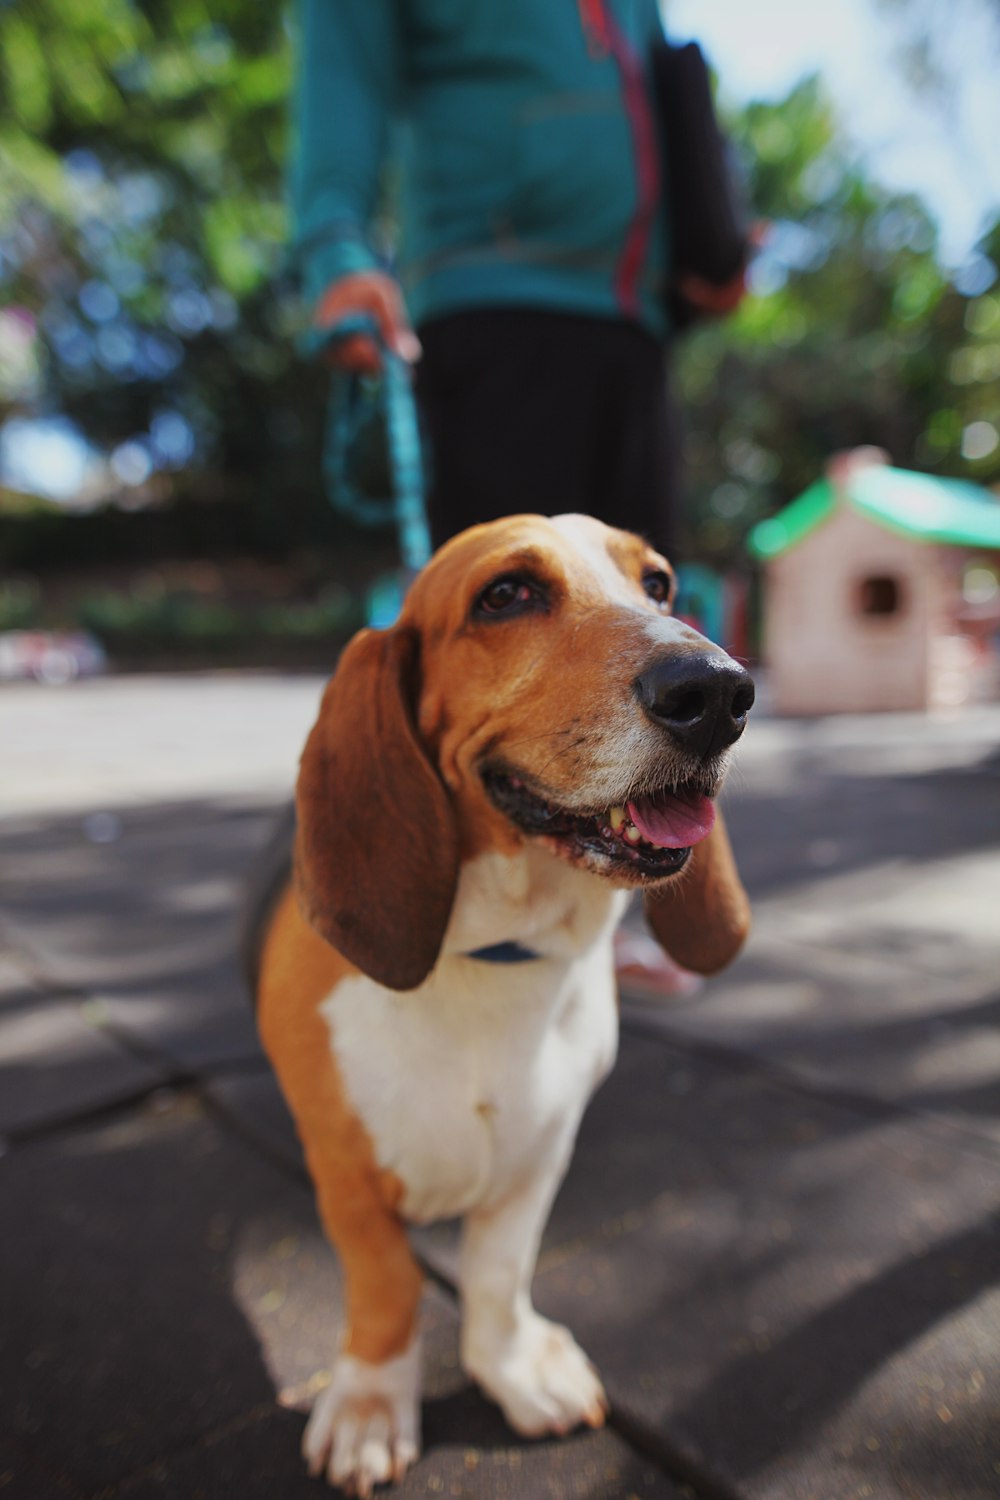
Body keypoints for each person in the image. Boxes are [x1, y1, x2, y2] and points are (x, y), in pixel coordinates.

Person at [290, 0, 747, 989]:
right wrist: (336, 244)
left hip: (637, 324)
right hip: (491, 301)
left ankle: (608, 917)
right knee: (499, 643)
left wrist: (707, 239)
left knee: (640, 629)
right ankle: (439, 910)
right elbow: (344, 63)